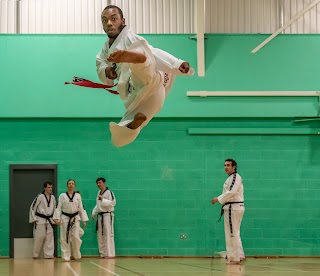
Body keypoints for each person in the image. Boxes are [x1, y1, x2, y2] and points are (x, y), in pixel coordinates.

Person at [96, 5, 194, 147]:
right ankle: (133, 125)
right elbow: (100, 62)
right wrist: (106, 71)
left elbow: (154, 52)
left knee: (144, 67)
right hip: (149, 92)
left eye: (113, 19)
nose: (109, 23)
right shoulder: (106, 49)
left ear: (122, 21)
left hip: (145, 79)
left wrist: (177, 63)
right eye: (104, 20)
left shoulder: (130, 38)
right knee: (119, 137)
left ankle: (136, 59)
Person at [211, 159, 245, 265]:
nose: (226, 167)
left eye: (228, 165)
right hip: (234, 207)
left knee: (231, 233)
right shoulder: (231, 178)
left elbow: (232, 191)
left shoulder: (235, 177)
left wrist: (218, 198)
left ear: (234, 167)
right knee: (235, 232)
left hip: (233, 207)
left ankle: (234, 258)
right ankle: (239, 255)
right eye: (225, 165)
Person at [53, 179, 88, 262]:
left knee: (76, 237)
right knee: (64, 238)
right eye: (69, 183)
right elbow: (58, 207)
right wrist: (57, 218)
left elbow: (81, 207)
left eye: (72, 183)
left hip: (75, 218)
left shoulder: (78, 196)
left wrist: (84, 220)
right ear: (67, 185)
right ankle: (66, 256)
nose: (71, 185)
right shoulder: (62, 195)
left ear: (74, 185)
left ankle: (76, 254)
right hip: (65, 217)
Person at [29, 181, 56, 259]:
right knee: (38, 238)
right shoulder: (40, 196)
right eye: (48, 187)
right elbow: (33, 207)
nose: (50, 189)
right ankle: (35, 254)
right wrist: (33, 218)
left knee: (49, 238)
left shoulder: (53, 197)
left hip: (49, 220)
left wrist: (55, 219)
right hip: (40, 220)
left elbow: (55, 209)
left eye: (51, 187)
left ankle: (49, 255)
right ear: (45, 188)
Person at [92, 177, 116, 258]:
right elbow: (98, 204)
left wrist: (103, 200)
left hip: (107, 215)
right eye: (97, 183)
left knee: (108, 234)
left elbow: (113, 203)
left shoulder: (109, 192)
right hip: (100, 215)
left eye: (100, 182)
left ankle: (110, 254)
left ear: (104, 183)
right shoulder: (99, 192)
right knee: (100, 235)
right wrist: (93, 212)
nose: (98, 184)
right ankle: (103, 253)